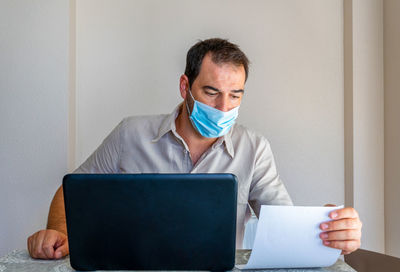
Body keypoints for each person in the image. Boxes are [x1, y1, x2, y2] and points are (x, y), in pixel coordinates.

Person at [27, 38, 362, 260]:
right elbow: (71, 190)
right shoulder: (131, 134)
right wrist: (57, 232)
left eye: (236, 95)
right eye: (211, 92)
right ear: (185, 86)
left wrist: (328, 228)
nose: (224, 107)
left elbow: (284, 226)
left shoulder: (255, 148)